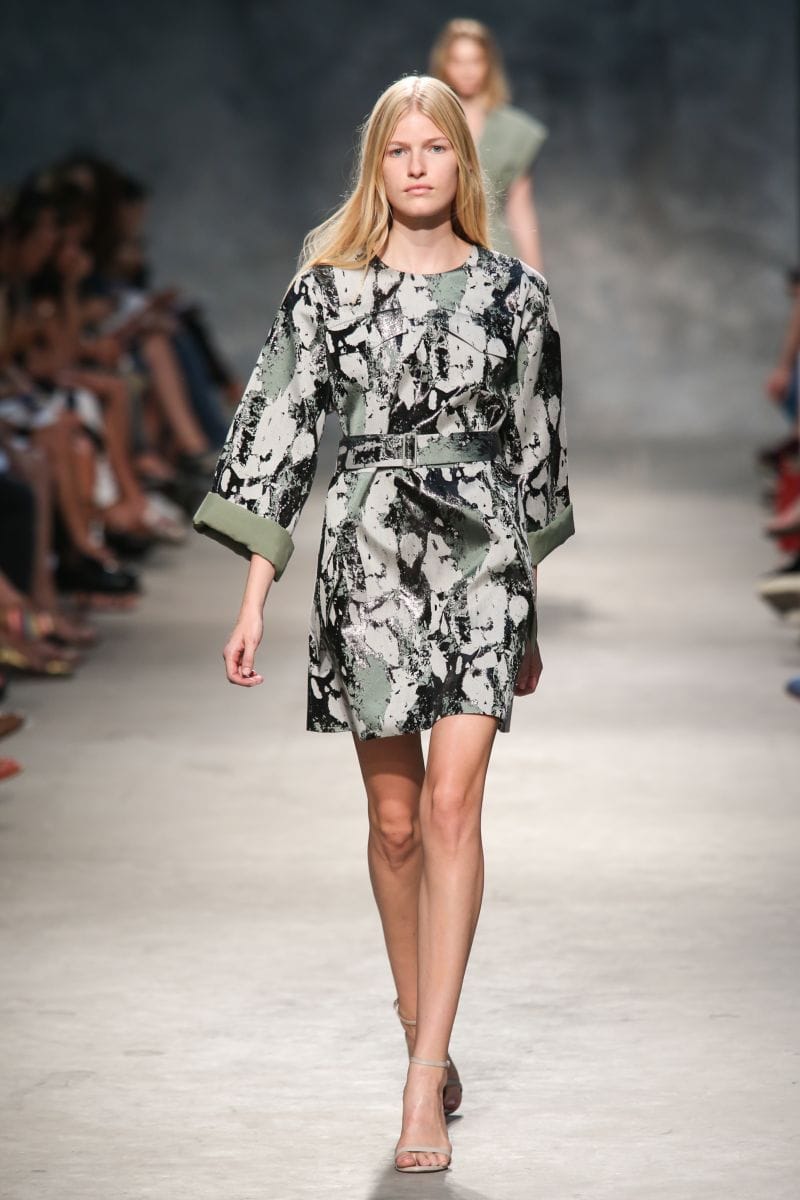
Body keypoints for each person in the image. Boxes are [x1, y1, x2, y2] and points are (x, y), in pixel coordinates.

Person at [192, 74, 574, 1174]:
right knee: (396, 823)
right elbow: (275, 432)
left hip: (483, 562)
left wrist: (528, 620)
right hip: (365, 560)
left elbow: (536, 446)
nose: (415, 166)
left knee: (452, 807)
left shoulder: (515, 296)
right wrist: (255, 597)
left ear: (463, 162)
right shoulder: (325, 294)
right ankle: (420, 1027)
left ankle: (422, 1077)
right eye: (397, 150)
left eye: (434, 148)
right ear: (377, 166)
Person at [430, 17, 548, 269]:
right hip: (435, 248)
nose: (467, 71)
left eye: (476, 61)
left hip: (495, 252)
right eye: (457, 61)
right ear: (443, 65)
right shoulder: (427, 122)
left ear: (489, 65)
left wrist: (537, 278)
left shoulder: (515, 131)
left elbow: (520, 209)